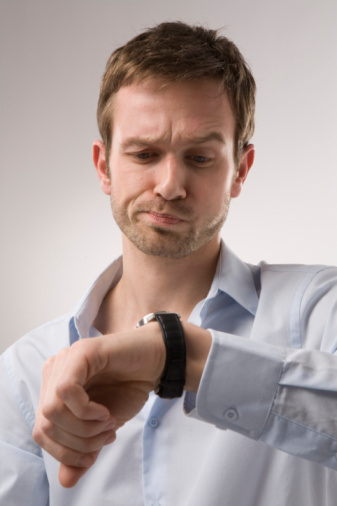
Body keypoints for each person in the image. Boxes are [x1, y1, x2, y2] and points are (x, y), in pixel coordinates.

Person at [1, 21, 337, 506]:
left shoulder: (319, 311)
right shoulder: (24, 373)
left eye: (199, 158)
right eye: (144, 153)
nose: (169, 185)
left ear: (240, 171)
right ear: (103, 166)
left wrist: (175, 353)